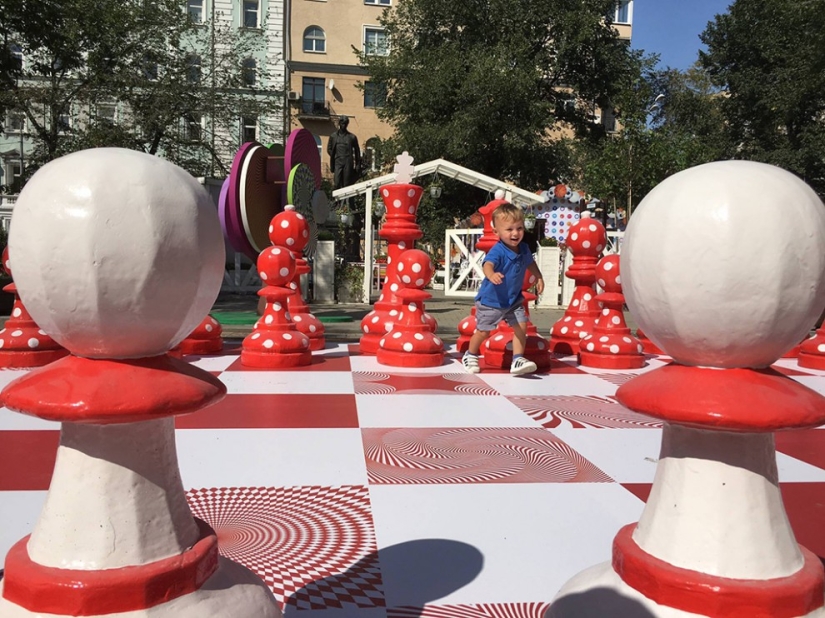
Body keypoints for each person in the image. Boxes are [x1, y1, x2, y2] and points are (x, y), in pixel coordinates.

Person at [462, 203, 545, 375]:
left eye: (519, 228)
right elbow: (488, 264)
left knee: (522, 327)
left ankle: (517, 359)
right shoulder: (498, 250)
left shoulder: (523, 249)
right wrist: (491, 274)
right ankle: (470, 354)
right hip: (491, 302)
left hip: (513, 300)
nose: (515, 233)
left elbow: (530, 262)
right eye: (509, 229)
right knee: (484, 332)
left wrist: (538, 276)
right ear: (496, 232)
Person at [327, 115, 361, 190]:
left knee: (347, 183)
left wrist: (358, 164)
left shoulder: (352, 137)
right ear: (339, 124)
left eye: (345, 123)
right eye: (342, 123)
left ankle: (346, 201)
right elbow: (329, 149)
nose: (344, 125)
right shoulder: (333, 136)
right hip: (338, 161)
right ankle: (336, 201)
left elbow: (357, 151)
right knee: (336, 183)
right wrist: (335, 156)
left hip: (347, 162)